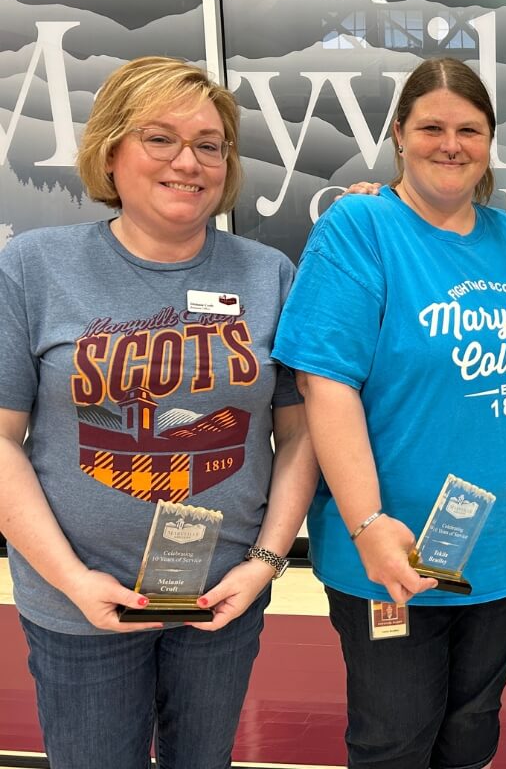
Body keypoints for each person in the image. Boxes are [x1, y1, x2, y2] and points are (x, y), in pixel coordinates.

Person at [0, 56, 317, 768]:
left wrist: (265, 564)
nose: (189, 161)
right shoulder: (32, 270)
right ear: (110, 150)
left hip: (220, 604)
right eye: (160, 138)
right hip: (79, 606)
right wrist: (72, 580)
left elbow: (299, 437)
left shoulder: (269, 276)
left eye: (210, 144)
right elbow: (0, 441)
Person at [272, 57, 506, 769]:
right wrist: (367, 522)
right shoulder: (360, 226)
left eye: (470, 129)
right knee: (394, 738)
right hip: (389, 547)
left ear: (490, 142)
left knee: (472, 728)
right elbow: (324, 385)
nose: (450, 143)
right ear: (400, 134)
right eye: (431, 127)